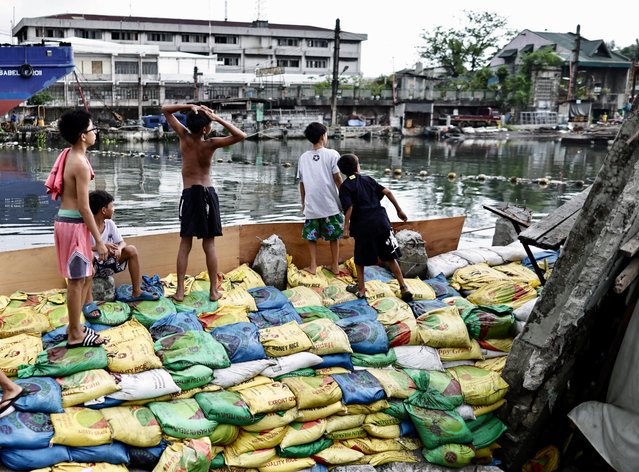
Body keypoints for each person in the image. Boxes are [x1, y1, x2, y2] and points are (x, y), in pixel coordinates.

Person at [162, 103, 247, 302]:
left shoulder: (184, 137)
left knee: (185, 243)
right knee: (209, 245)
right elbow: (240, 135)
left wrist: (189, 105)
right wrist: (217, 118)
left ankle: (181, 291)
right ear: (205, 129)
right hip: (208, 194)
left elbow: (165, 109)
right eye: (209, 124)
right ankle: (213, 291)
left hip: (190, 194)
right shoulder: (211, 143)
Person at [44, 109, 108, 348]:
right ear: (83, 135)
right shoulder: (79, 163)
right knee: (76, 281)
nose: (95, 133)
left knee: (85, 275)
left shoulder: (68, 153)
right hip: (73, 225)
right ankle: (75, 334)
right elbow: (84, 207)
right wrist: (99, 241)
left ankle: (76, 327)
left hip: (66, 222)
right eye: (92, 129)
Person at [337, 153, 413, 302]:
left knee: (359, 261)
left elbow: (350, 207)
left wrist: (346, 228)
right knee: (390, 257)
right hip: (381, 222)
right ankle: (403, 287)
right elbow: (388, 192)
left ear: (342, 172)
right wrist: (399, 210)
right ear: (358, 167)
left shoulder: (345, 187)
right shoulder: (368, 179)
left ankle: (362, 290)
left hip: (363, 226)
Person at [88, 190, 159, 302]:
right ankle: (89, 301)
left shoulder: (110, 224)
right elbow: (79, 248)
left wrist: (119, 249)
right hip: (93, 267)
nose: (114, 209)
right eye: (112, 206)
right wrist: (100, 246)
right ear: (103, 210)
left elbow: (122, 242)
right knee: (89, 256)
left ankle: (137, 292)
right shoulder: (86, 226)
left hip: (109, 263)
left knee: (132, 250)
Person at [297, 122, 343, 274]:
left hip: (312, 206)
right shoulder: (332, 154)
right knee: (334, 237)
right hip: (330, 204)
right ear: (323, 136)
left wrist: (303, 203)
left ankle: (313, 266)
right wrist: (344, 200)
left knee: (312, 237)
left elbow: (302, 184)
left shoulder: (303, 158)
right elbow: (338, 179)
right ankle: (335, 266)